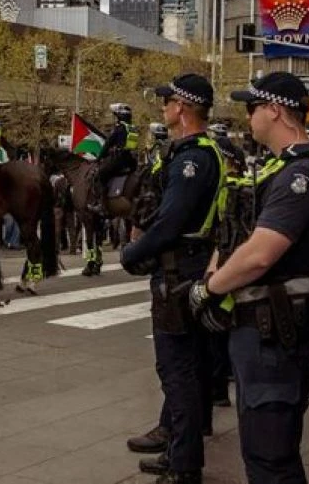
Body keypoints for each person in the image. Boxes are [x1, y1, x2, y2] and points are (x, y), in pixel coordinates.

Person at [187, 72, 309, 482]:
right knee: (261, 450)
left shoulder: (306, 174)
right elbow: (237, 235)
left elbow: (261, 254)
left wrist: (207, 290)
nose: (248, 118)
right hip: (259, 328)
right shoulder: (277, 169)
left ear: (275, 110)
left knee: (270, 456)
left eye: (252, 108)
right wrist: (217, 276)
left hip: (276, 332)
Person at [120, 73, 224, 484]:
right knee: (189, 365)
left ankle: (184, 466)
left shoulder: (194, 158)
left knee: (176, 368)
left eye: (167, 102)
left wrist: (132, 253)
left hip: (179, 270)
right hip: (187, 267)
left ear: (181, 107)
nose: (163, 107)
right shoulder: (196, 152)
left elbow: (170, 221)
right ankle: (178, 446)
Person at [89, 103, 140, 213]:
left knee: (101, 175)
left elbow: (107, 145)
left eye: (115, 115)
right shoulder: (133, 128)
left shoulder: (119, 128)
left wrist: (98, 158)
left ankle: (101, 205)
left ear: (119, 116)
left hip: (119, 160)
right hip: (131, 161)